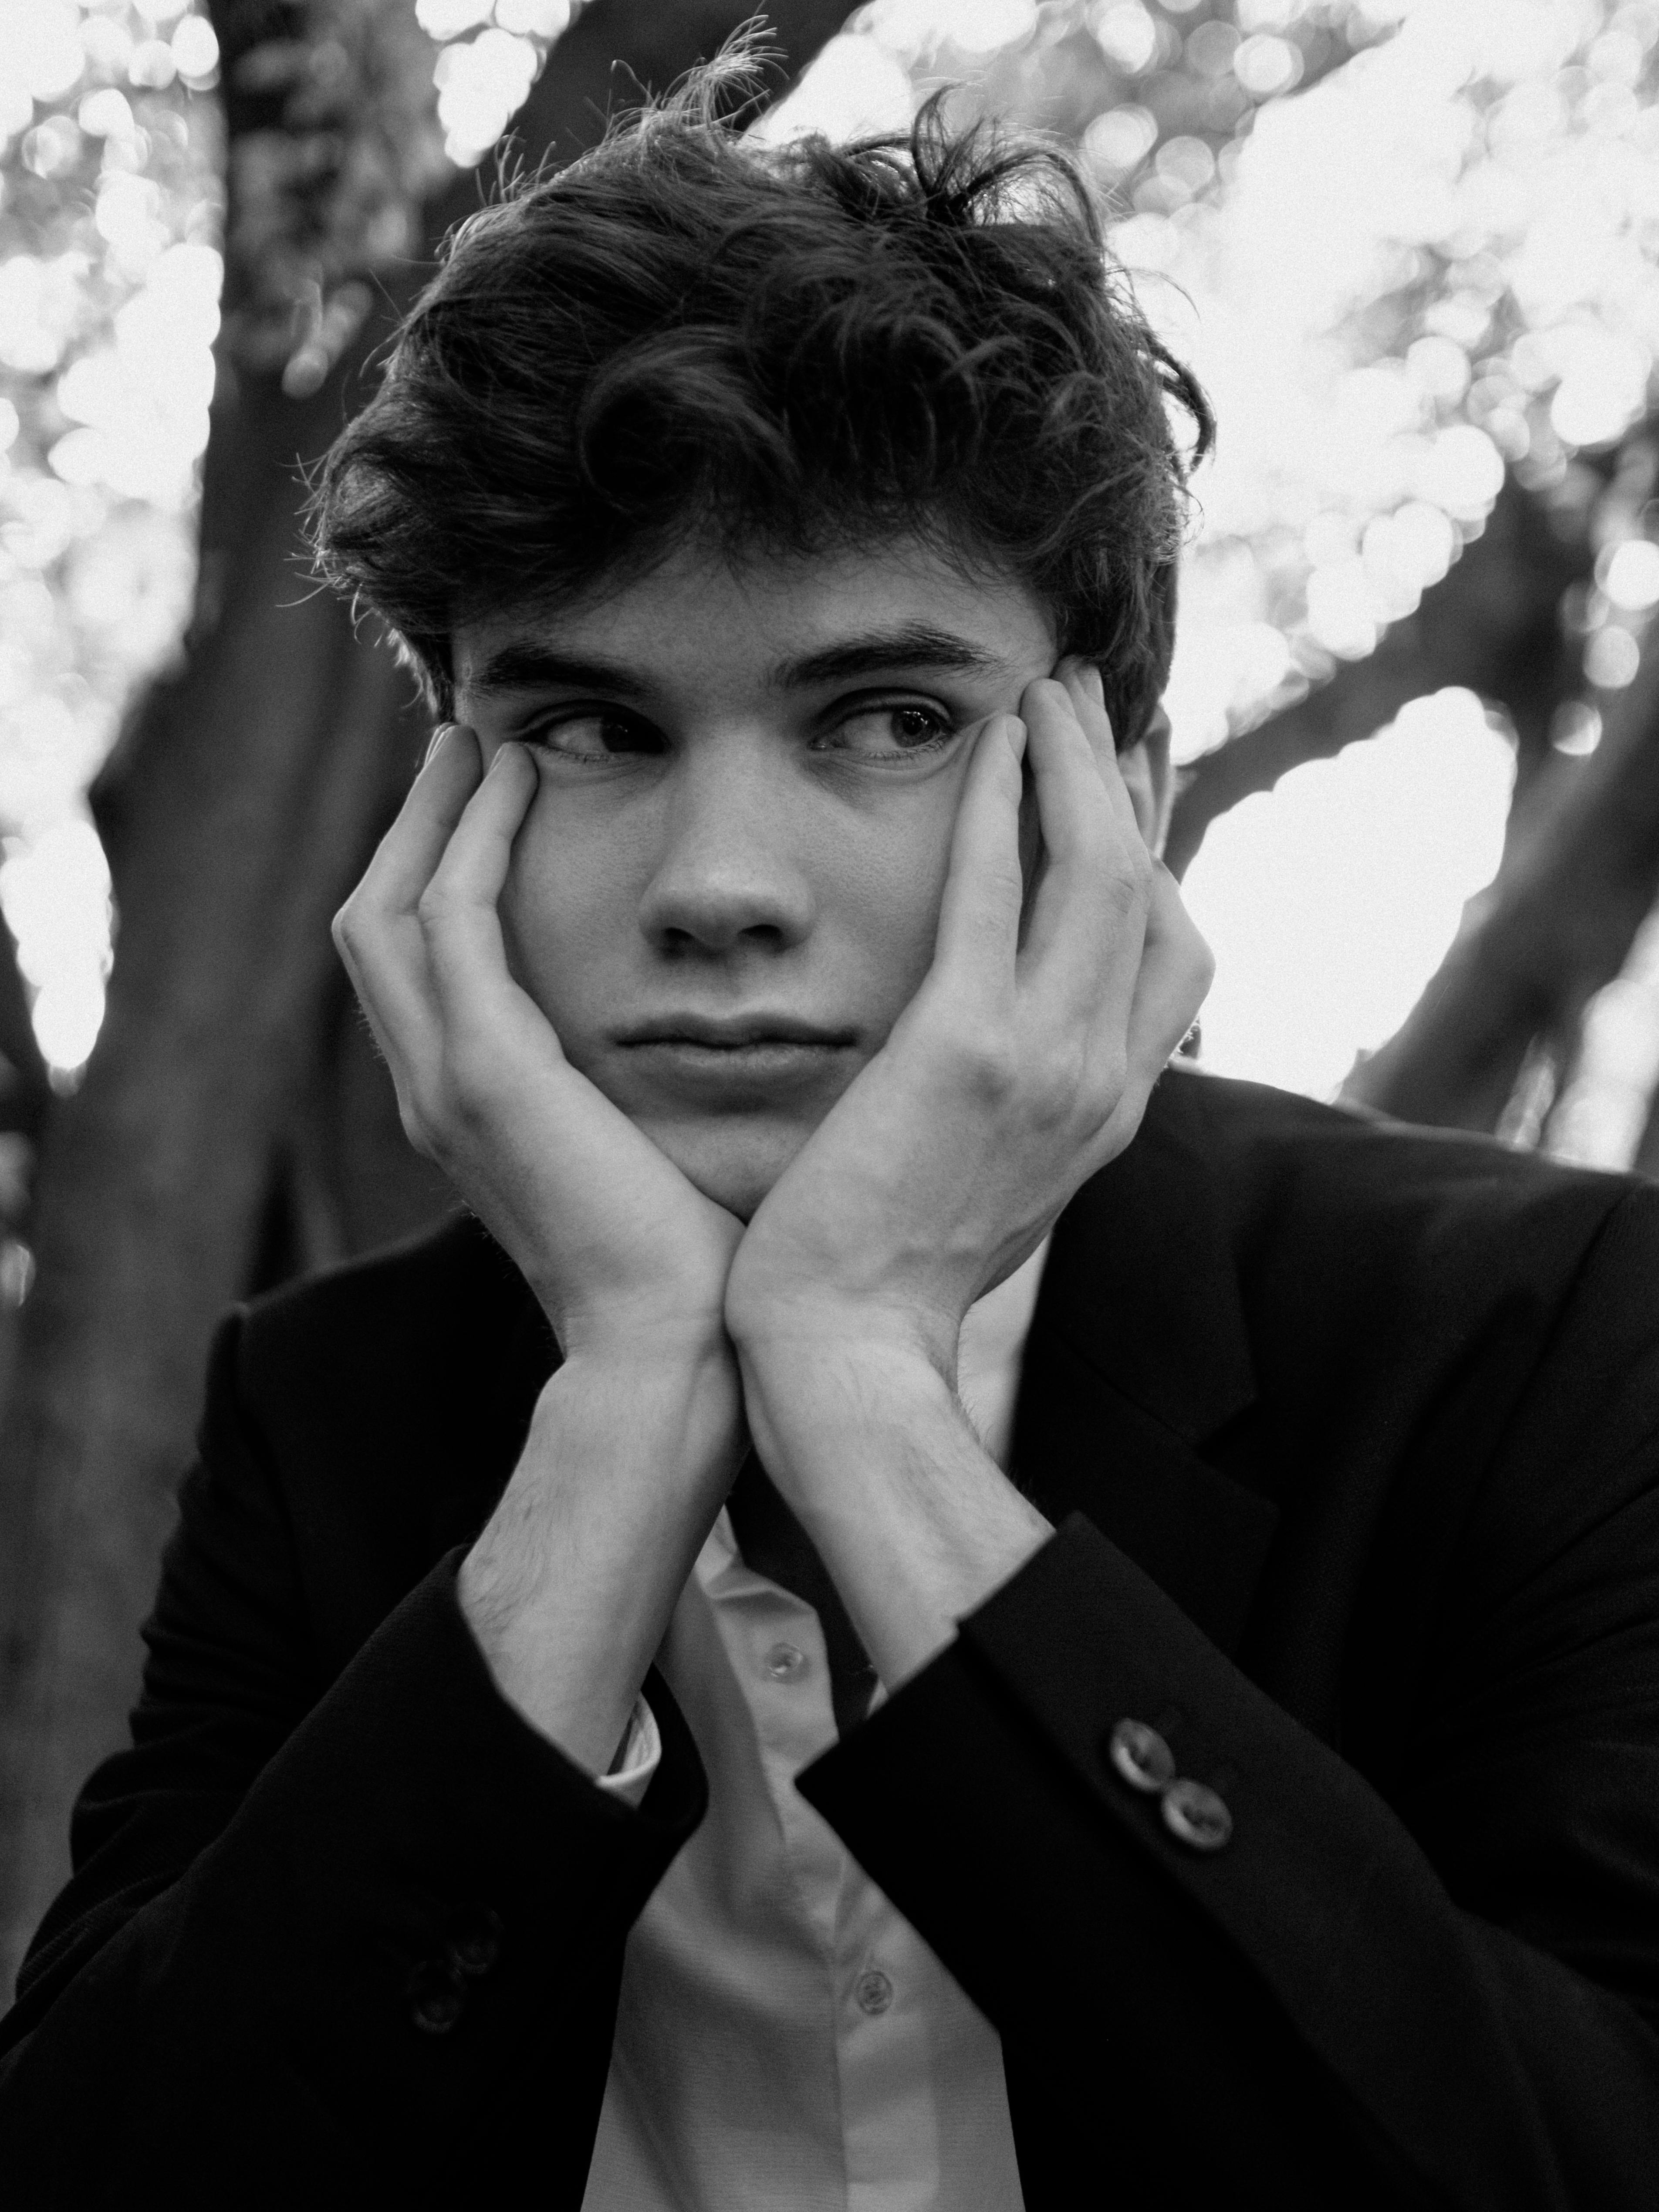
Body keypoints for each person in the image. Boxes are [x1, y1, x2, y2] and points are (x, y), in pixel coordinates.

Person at [3, 56, 1659, 2212]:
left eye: (881, 719)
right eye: (589, 728)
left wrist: (864, 1388)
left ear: (1116, 805)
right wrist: (619, 1419)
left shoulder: (1538, 1337)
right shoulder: (327, 1412)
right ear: (443, 831)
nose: (718, 884)